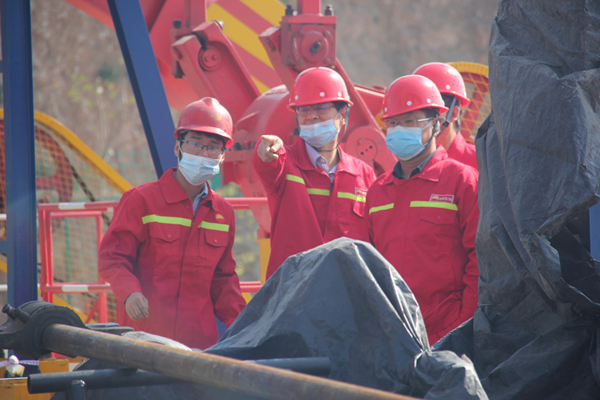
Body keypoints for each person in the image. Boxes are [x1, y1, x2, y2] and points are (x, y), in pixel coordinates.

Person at [98, 97, 246, 350]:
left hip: (198, 344)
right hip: (144, 339)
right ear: (178, 147)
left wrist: (245, 327)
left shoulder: (223, 213)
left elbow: (223, 280)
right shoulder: (141, 201)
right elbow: (113, 258)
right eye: (195, 143)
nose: (203, 153)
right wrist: (130, 292)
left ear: (222, 156)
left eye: (213, 147)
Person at [366, 75, 479, 345]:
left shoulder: (462, 180)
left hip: (448, 333)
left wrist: (463, 323)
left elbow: (481, 258)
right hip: (392, 333)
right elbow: (368, 265)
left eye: (409, 122)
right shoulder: (378, 191)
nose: (398, 130)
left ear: (437, 122)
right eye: (393, 123)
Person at [253, 67, 377, 279]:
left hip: (349, 289)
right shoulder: (284, 162)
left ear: (342, 114)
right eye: (303, 110)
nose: (311, 116)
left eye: (321, 108)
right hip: (294, 289)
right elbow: (266, 164)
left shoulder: (363, 174)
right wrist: (264, 150)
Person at [413, 62, 477, 170]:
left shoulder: (482, 162)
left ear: (453, 113)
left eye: (429, 110)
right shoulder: (404, 166)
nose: (419, 118)